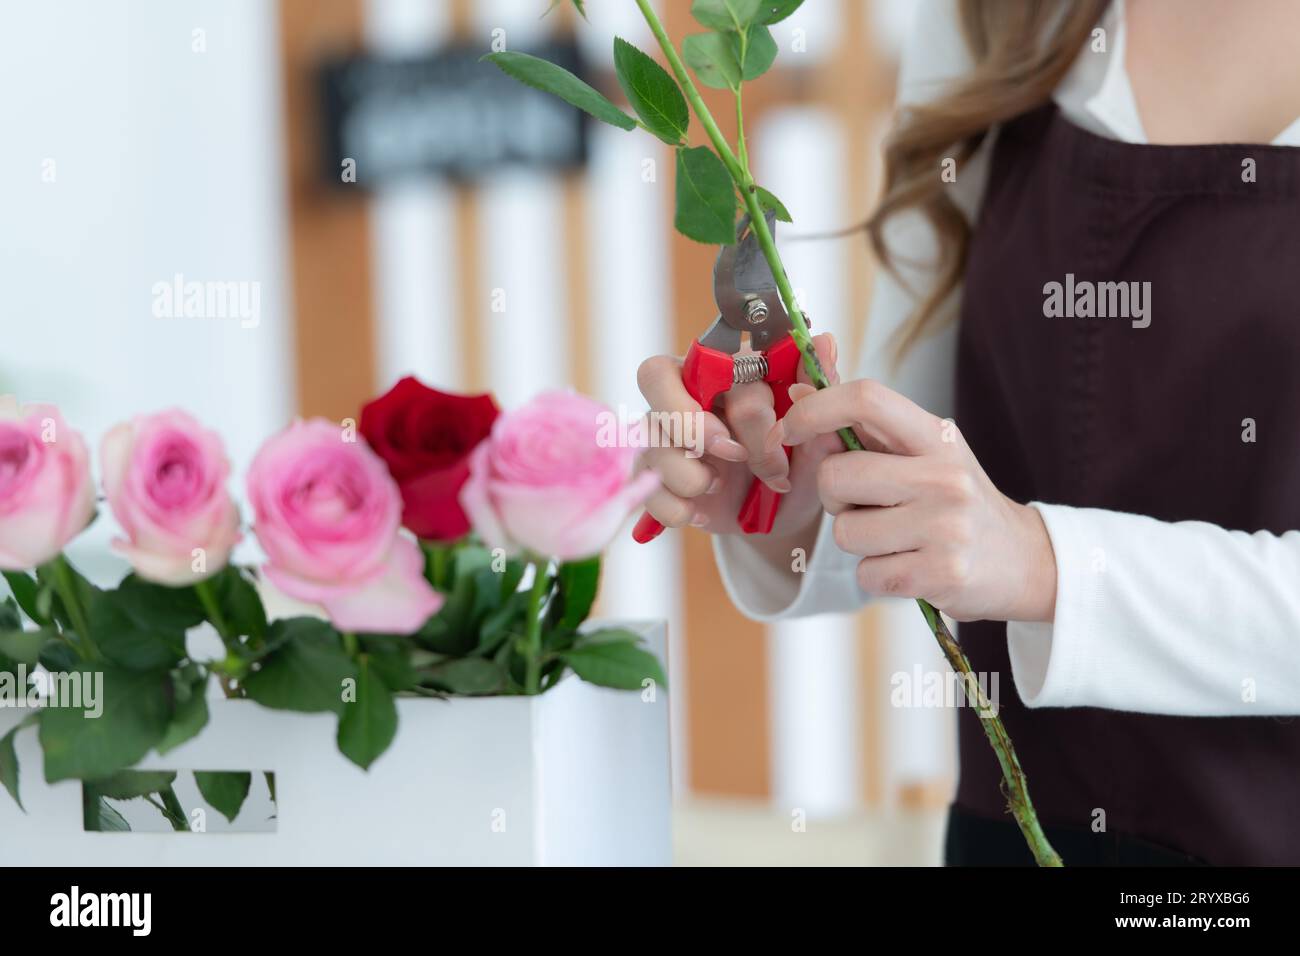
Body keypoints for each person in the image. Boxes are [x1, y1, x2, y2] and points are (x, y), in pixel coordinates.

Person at [636, 0, 1300, 865]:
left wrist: (1043, 562)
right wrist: (794, 486)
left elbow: (998, 545)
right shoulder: (1003, 15)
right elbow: (933, 461)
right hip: (1018, 836)